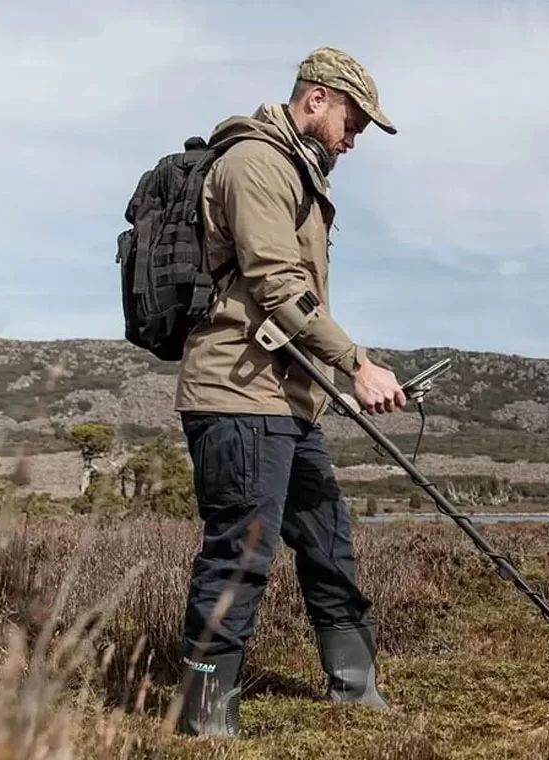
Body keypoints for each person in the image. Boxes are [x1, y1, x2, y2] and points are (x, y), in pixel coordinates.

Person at [171, 46, 405, 738]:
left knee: (328, 539)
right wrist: (356, 364)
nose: (354, 139)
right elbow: (278, 286)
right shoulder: (255, 164)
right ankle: (205, 715)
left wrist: (331, 378)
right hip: (238, 397)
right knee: (241, 554)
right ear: (316, 100)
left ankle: (354, 687)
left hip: (290, 403)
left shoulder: (297, 170)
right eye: (353, 122)